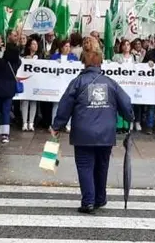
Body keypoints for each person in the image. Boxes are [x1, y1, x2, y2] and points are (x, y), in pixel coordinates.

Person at [51, 36, 134, 214]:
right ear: (100, 61)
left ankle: (88, 201)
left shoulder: (77, 82)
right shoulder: (110, 83)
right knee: (102, 166)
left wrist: (57, 125)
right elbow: (126, 103)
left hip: (83, 133)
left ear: (83, 61)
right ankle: (100, 198)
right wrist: (130, 118)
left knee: (85, 166)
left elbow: (65, 105)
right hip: (106, 133)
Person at [50, 39, 79, 131]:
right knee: (56, 105)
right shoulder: (54, 57)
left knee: (69, 105)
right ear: (61, 47)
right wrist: (55, 63)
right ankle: (54, 124)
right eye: (66, 46)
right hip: (57, 84)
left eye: (69, 46)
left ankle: (68, 125)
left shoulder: (73, 58)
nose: (68, 48)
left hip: (68, 84)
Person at [20, 37, 42, 131]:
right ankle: (24, 123)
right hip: (26, 82)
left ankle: (31, 123)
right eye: (33, 44)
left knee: (33, 102)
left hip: (35, 82)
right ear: (29, 46)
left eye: (36, 44)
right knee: (25, 101)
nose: (35, 46)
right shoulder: (23, 56)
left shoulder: (40, 57)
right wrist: (25, 59)